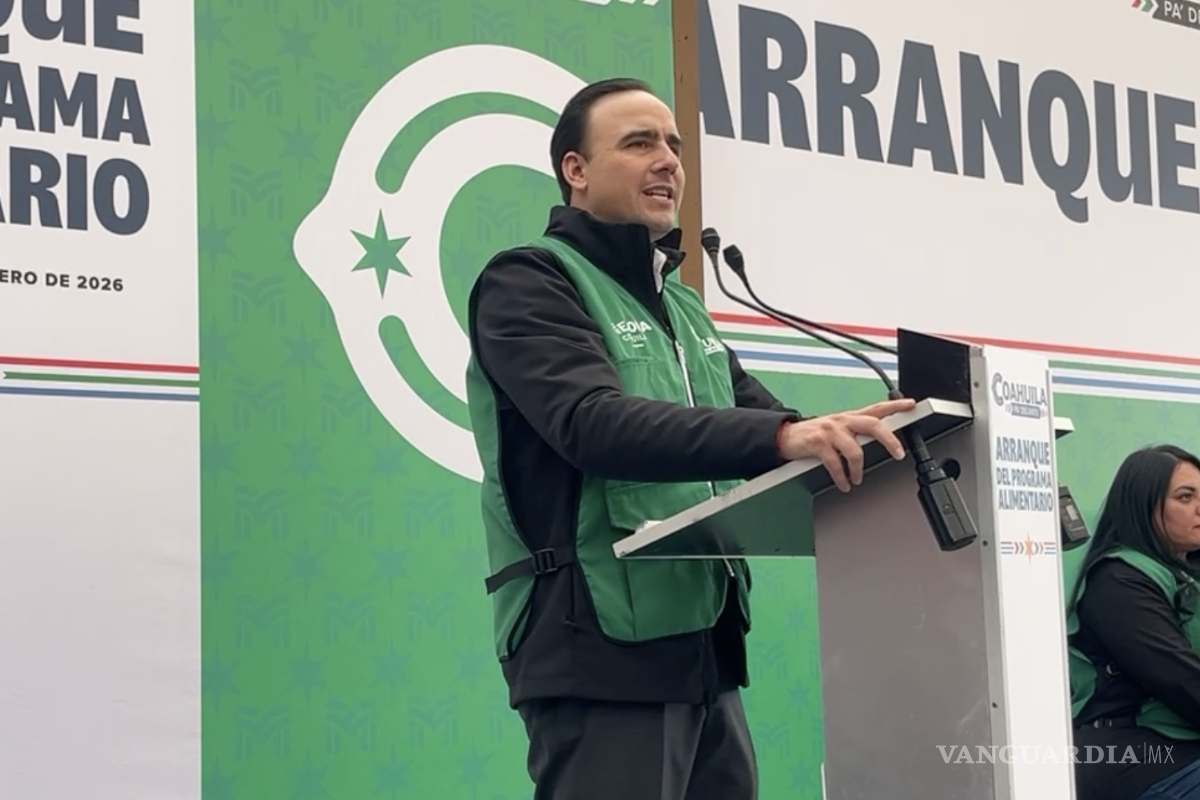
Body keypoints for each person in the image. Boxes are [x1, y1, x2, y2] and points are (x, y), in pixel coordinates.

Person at [463, 76, 914, 800]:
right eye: (639, 143)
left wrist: (863, 436)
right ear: (576, 170)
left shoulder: (684, 305)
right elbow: (591, 423)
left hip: (705, 650)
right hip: (597, 644)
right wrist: (785, 434)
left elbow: (764, 422)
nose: (669, 160)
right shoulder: (529, 281)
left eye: (673, 145)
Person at [1067, 444, 1200, 800]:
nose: (1199, 507)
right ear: (1143, 505)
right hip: (1131, 753)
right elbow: (1180, 679)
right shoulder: (1118, 580)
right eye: (1185, 497)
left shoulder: (1187, 573)